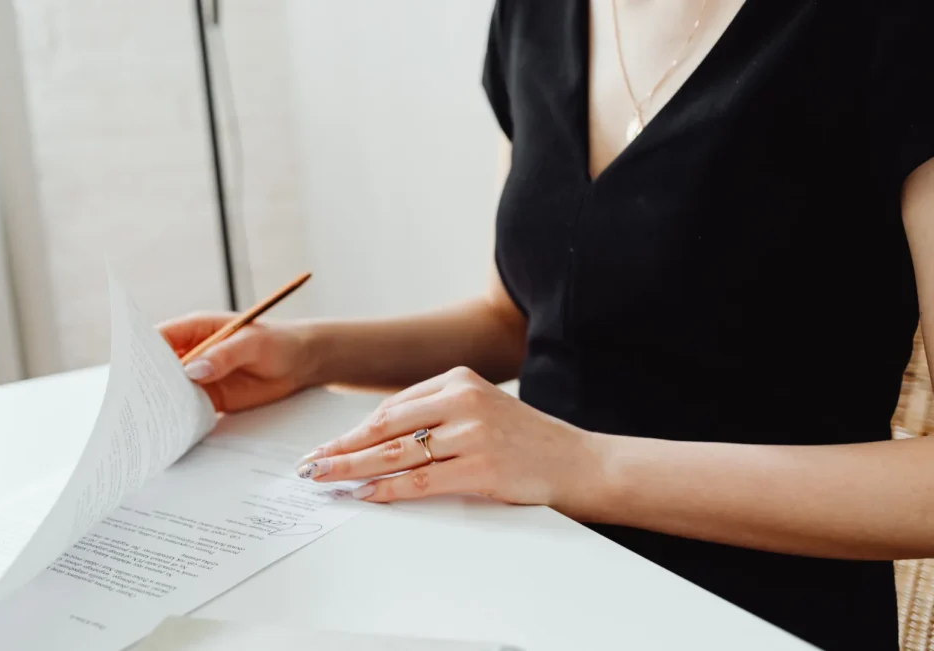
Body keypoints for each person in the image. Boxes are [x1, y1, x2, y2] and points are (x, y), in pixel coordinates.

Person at [160, 1, 934, 648]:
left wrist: (577, 465)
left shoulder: (891, 25)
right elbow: (521, 314)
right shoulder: (537, 13)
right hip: (524, 581)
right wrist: (309, 352)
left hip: (750, 612)